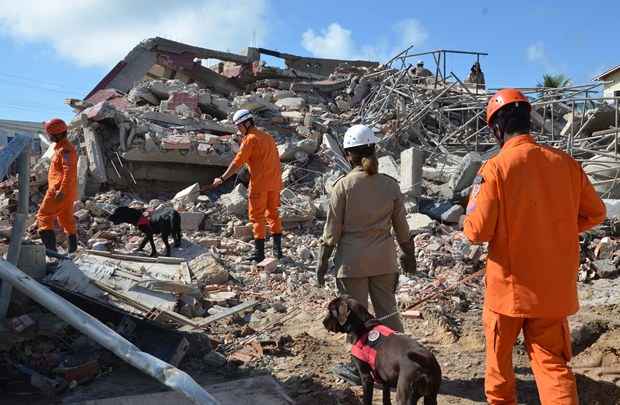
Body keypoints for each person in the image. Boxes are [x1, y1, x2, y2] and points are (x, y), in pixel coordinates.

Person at [463, 88, 606, 404]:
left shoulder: (494, 169)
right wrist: (558, 231)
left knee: (499, 366)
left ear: (497, 127)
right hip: (553, 292)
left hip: (507, 293)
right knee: (553, 366)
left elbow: (477, 231)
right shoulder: (567, 165)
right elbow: (596, 213)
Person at [316, 124, 417, 383]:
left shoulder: (343, 186)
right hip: (384, 260)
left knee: (354, 320)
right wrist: (408, 254)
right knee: (387, 314)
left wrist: (322, 261)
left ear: (349, 155)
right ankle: (402, 364)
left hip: (352, 264)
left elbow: (332, 231)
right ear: (373, 149)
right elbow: (402, 228)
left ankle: (358, 367)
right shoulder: (389, 185)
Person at [211, 109, 283, 262]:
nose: (238, 130)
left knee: (257, 217)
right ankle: (278, 251)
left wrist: (222, 179)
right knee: (273, 214)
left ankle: (259, 254)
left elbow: (237, 162)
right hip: (275, 183)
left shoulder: (250, 139)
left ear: (247, 123)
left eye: (239, 126)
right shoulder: (268, 137)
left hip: (259, 185)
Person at [37, 118, 78, 254]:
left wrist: (61, 190)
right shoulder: (62, 148)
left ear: (57, 134)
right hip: (66, 191)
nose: (49, 137)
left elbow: (69, 172)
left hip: (58, 190)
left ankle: (51, 252)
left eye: (50, 134)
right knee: (65, 218)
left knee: (43, 216)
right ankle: (72, 251)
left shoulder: (65, 150)